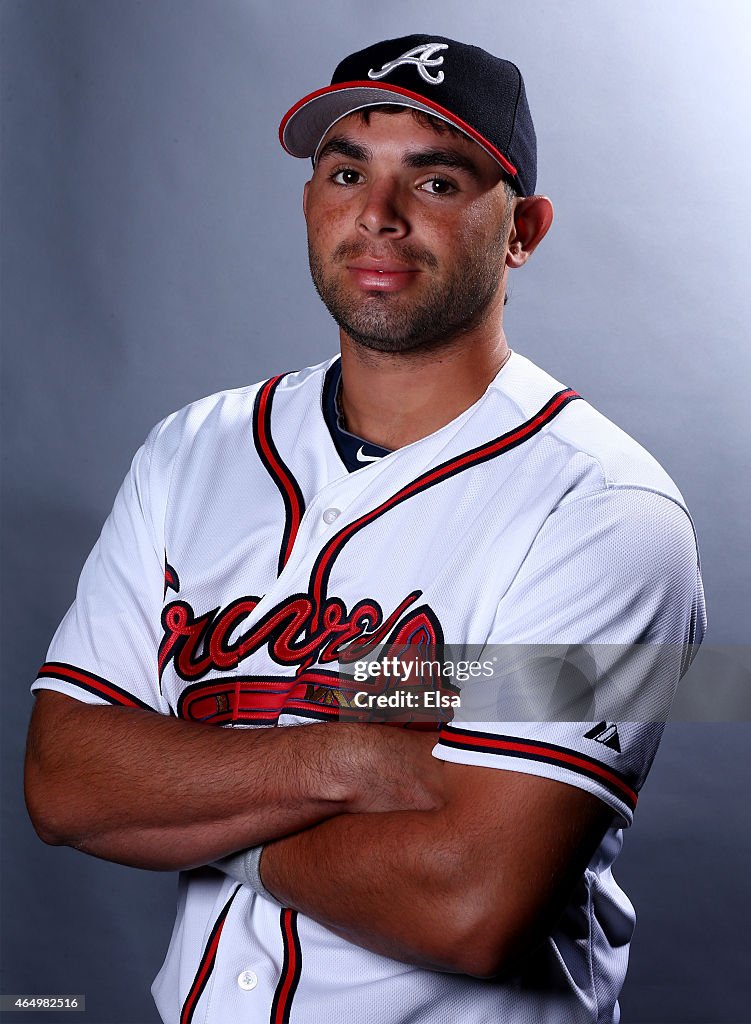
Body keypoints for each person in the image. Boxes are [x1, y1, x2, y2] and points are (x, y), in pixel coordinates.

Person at [25, 33, 705, 1024]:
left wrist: (195, 811)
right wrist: (342, 759)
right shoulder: (189, 450)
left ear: (523, 230)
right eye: (346, 170)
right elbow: (62, 781)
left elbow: (472, 903)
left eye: (435, 180)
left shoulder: (612, 513)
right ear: (311, 200)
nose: (377, 215)